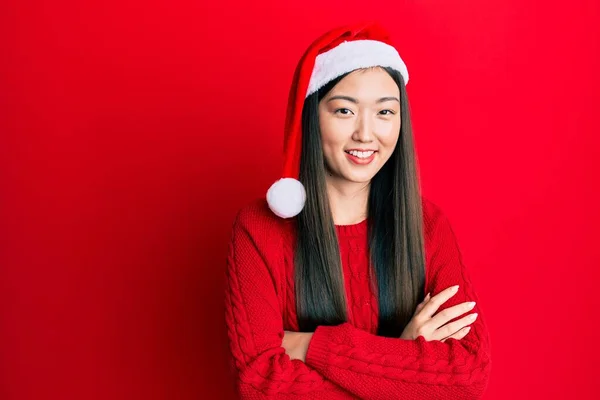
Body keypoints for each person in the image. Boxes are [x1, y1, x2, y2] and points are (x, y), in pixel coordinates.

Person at [223, 21, 491, 399]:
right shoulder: (258, 229)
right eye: (345, 111)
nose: (366, 134)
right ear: (313, 117)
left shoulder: (428, 225)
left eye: (385, 112)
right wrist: (405, 354)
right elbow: (261, 383)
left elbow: (467, 378)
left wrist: (307, 345)